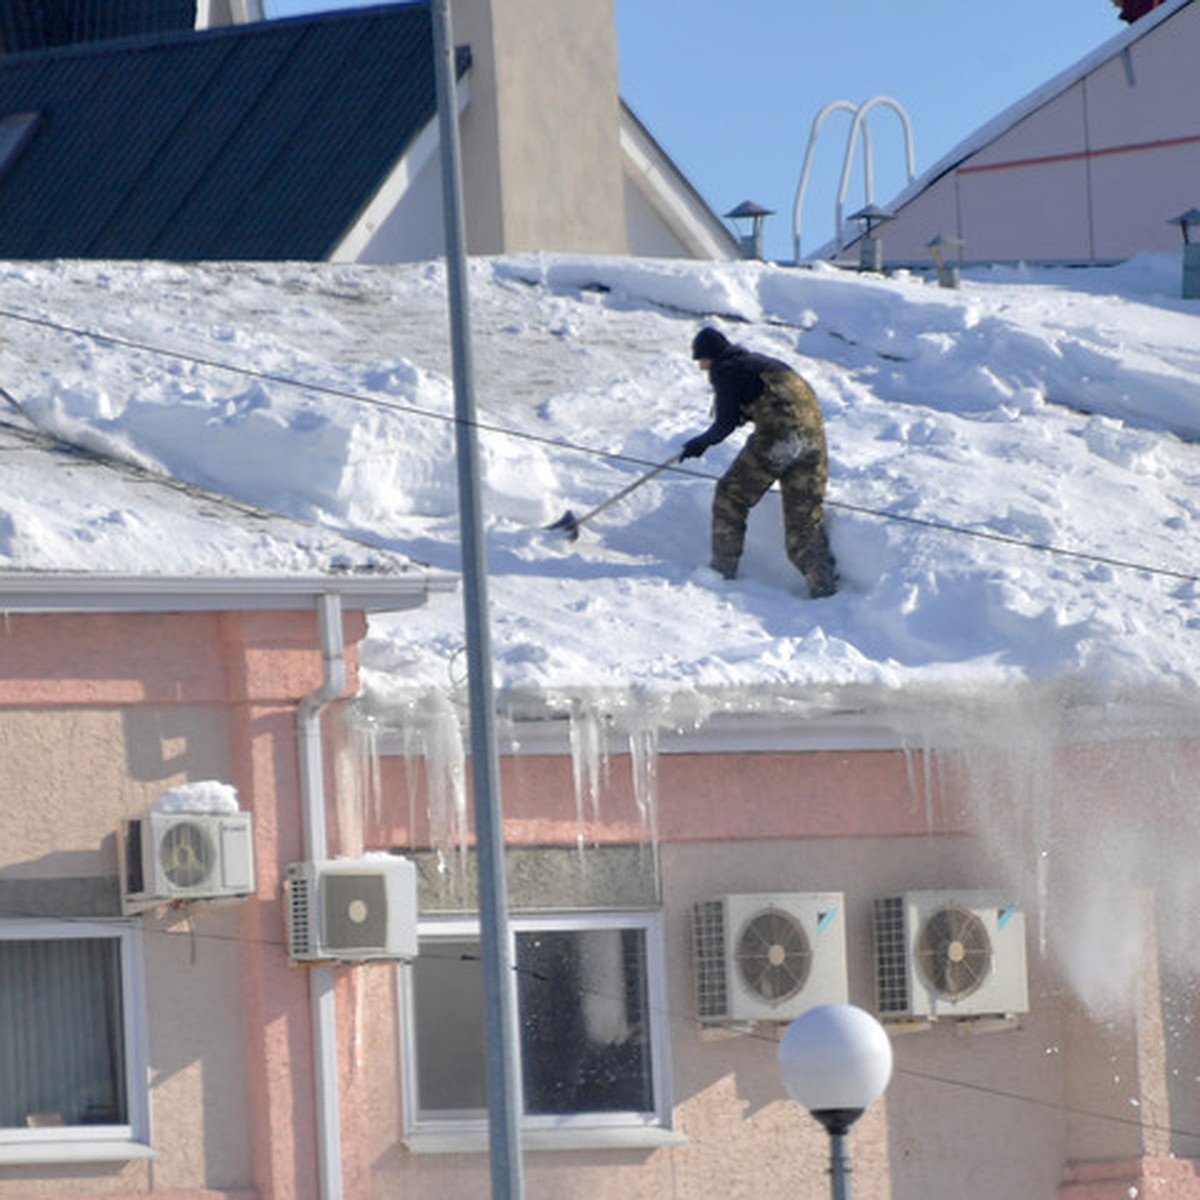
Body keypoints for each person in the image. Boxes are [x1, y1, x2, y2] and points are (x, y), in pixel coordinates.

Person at [681, 326, 837, 597]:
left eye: (701, 360)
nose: (701, 367)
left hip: (780, 440)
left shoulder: (725, 369)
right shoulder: (760, 364)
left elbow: (725, 422)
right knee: (804, 521)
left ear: (711, 356)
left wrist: (701, 443)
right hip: (814, 441)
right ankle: (823, 586)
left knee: (731, 496)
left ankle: (722, 570)